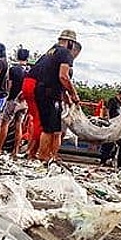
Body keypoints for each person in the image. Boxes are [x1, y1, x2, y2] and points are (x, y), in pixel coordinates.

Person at [35, 30, 80, 162]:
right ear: (71, 43)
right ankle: (45, 156)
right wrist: (74, 94)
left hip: (42, 90)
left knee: (51, 129)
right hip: (50, 94)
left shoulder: (49, 52)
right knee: (51, 129)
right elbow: (63, 76)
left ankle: (49, 156)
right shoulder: (65, 53)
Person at [0, 48, 30, 156]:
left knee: (5, 124)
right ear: (27, 58)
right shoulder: (30, 71)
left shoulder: (13, 69)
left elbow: (9, 86)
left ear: (17, 56)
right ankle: (15, 151)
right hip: (24, 101)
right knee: (18, 125)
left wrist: (8, 96)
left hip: (13, 99)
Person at [99, 87, 121, 169]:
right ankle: (104, 160)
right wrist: (108, 121)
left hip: (120, 126)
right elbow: (108, 110)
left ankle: (120, 162)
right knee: (109, 143)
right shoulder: (113, 100)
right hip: (113, 123)